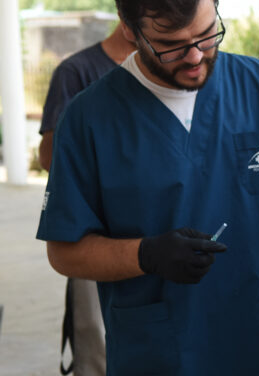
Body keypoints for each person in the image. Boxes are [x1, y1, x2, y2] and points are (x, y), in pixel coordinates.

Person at [36, 0, 259, 375]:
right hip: (159, 352)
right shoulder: (89, 119)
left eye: (207, 34)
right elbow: (65, 253)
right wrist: (146, 254)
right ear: (129, 29)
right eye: (171, 44)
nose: (196, 56)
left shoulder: (258, 84)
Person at [37, 23, 135, 376]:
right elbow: (49, 157)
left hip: (157, 235)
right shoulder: (76, 72)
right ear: (130, 20)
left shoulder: (169, 67)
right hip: (96, 235)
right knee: (97, 345)